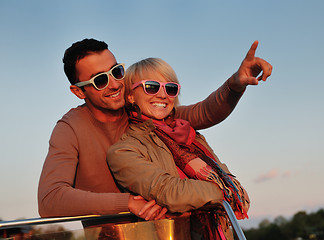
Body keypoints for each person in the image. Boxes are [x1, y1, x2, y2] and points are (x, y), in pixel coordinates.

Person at [37, 38, 272, 220]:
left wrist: (235, 83)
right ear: (79, 91)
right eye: (100, 80)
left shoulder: (145, 113)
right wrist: (127, 203)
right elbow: (50, 199)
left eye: (117, 72)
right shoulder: (71, 128)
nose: (114, 84)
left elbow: (205, 112)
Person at [106, 57, 251, 239]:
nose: (162, 95)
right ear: (130, 96)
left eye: (170, 88)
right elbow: (171, 193)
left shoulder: (192, 136)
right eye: (151, 86)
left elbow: (230, 181)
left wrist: (222, 189)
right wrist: (226, 191)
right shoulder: (124, 150)